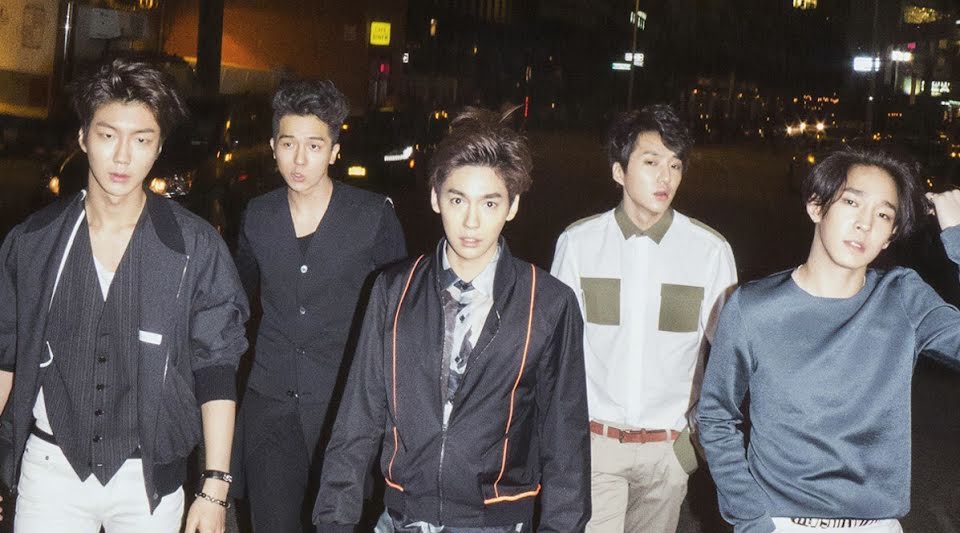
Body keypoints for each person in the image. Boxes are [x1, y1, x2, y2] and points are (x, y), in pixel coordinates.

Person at [312, 107, 591, 532]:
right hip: (402, 518)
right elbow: (357, 420)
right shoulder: (393, 291)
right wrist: (334, 521)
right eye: (457, 200)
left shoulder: (549, 303)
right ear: (435, 198)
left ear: (512, 206)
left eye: (490, 203)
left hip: (496, 522)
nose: (471, 222)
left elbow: (565, 441)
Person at [0, 58, 249, 532]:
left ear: (159, 148)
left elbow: (216, 367)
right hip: (50, 469)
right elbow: (5, 357)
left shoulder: (193, 246)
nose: (121, 157)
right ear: (83, 137)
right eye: (108, 135)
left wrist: (214, 487)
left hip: (148, 480)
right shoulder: (34, 242)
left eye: (141, 140)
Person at [697, 146, 960, 533]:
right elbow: (716, 416)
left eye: (883, 214)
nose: (865, 224)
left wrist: (957, 238)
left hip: (877, 526)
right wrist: (750, 519)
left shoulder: (902, 297)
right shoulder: (753, 307)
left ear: (890, 237)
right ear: (816, 206)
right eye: (852, 202)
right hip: (782, 523)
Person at [550, 104, 737, 533]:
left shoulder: (709, 251)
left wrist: (690, 447)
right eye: (651, 162)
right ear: (619, 171)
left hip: (667, 452)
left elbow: (729, 360)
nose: (665, 177)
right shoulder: (579, 244)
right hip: (596, 445)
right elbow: (556, 352)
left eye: (675, 165)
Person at [232, 79, 406, 532]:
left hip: (346, 410)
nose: (299, 159)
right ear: (273, 147)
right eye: (288, 144)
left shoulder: (372, 216)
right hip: (270, 407)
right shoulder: (257, 215)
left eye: (314, 145)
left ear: (334, 151)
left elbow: (399, 318)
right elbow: (236, 303)